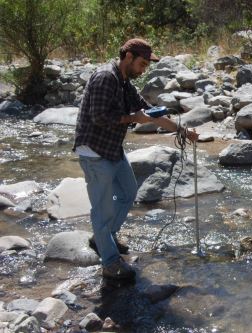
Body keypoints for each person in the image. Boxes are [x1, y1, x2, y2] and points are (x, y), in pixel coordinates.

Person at [73, 38, 198, 280]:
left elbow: (148, 113)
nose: (143, 70)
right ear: (128, 57)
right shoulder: (105, 77)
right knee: (102, 209)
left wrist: (182, 131)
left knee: (129, 192)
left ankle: (103, 238)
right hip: (94, 152)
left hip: (112, 150)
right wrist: (133, 119)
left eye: (146, 66)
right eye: (142, 64)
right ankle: (109, 263)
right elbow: (99, 117)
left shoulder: (124, 82)